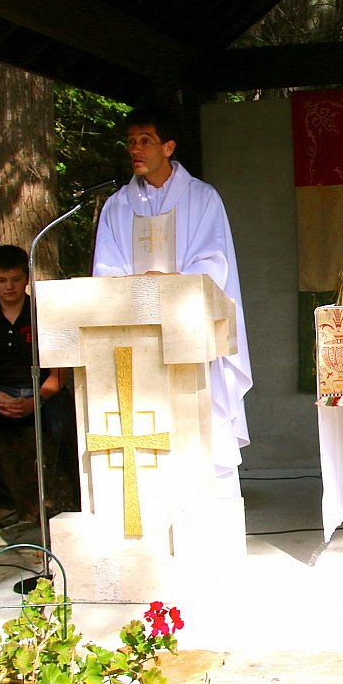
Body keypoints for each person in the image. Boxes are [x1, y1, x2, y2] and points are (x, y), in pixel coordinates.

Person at [92, 105, 251, 489]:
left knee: (197, 423)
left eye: (146, 140)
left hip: (189, 332)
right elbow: (105, 269)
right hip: (134, 336)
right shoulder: (116, 206)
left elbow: (214, 262)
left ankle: (204, 494)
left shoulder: (202, 198)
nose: (136, 149)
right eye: (131, 141)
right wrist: (136, 284)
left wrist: (169, 282)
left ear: (168, 147)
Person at [0, 244, 77, 534]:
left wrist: (36, 400)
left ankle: (79, 497)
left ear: (26, 278)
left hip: (44, 391)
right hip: (1, 393)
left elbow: (59, 374)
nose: (8, 286)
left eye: (15, 279)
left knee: (64, 423)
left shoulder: (43, 312)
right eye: (1, 280)